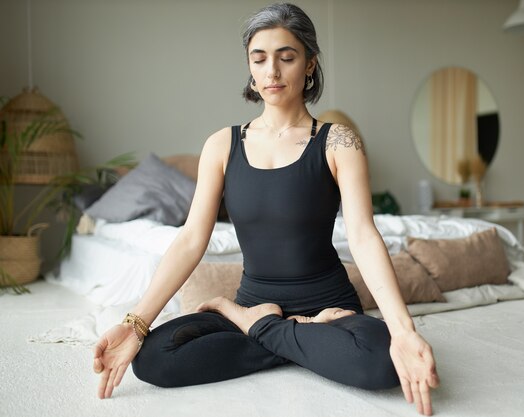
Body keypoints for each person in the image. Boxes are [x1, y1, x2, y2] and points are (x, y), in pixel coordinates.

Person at [92, 3, 439, 415]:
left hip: (331, 306)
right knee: (153, 358)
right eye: (259, 59)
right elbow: (190, 239)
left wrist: (402, 331)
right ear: (250, 69)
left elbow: (363, 234)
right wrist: (136, 324)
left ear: (310, 64)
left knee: (381, 361)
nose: (271, 71)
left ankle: (252, 323)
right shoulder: (222, 145)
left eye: (286, 57)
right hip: (258, 298)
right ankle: (283, 331)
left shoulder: (338, 141)